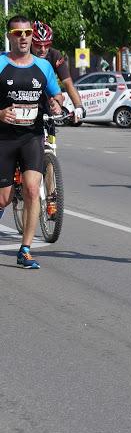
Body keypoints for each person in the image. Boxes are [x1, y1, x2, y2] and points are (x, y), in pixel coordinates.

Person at [0, 15, 63, 269]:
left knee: (31, 189)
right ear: (9, 36)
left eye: (27, 33)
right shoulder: (1, 64)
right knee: (3, 198)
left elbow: (55, 92)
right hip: (3, 138)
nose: (24, 37)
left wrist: (57, 101)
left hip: (31, 136)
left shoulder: (43, 67)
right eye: (18, 33)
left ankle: (25, 249)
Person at [31, 21, 85, 124]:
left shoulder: (55, 55)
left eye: (47, 45)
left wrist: (78, 106)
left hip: (48, 102)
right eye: (38, 45)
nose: (43, 49)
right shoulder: (24, 54)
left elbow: (68, 83)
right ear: (31, 42)